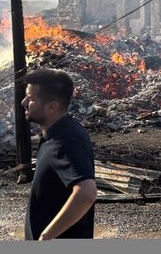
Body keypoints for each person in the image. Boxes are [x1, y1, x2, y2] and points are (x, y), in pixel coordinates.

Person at [21, 69, 96, 240]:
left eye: (31, 98)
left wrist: (47, 237)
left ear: (52, 107)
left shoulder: (65, 139)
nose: (23, 102)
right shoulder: (55, 134)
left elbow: (87, 192)